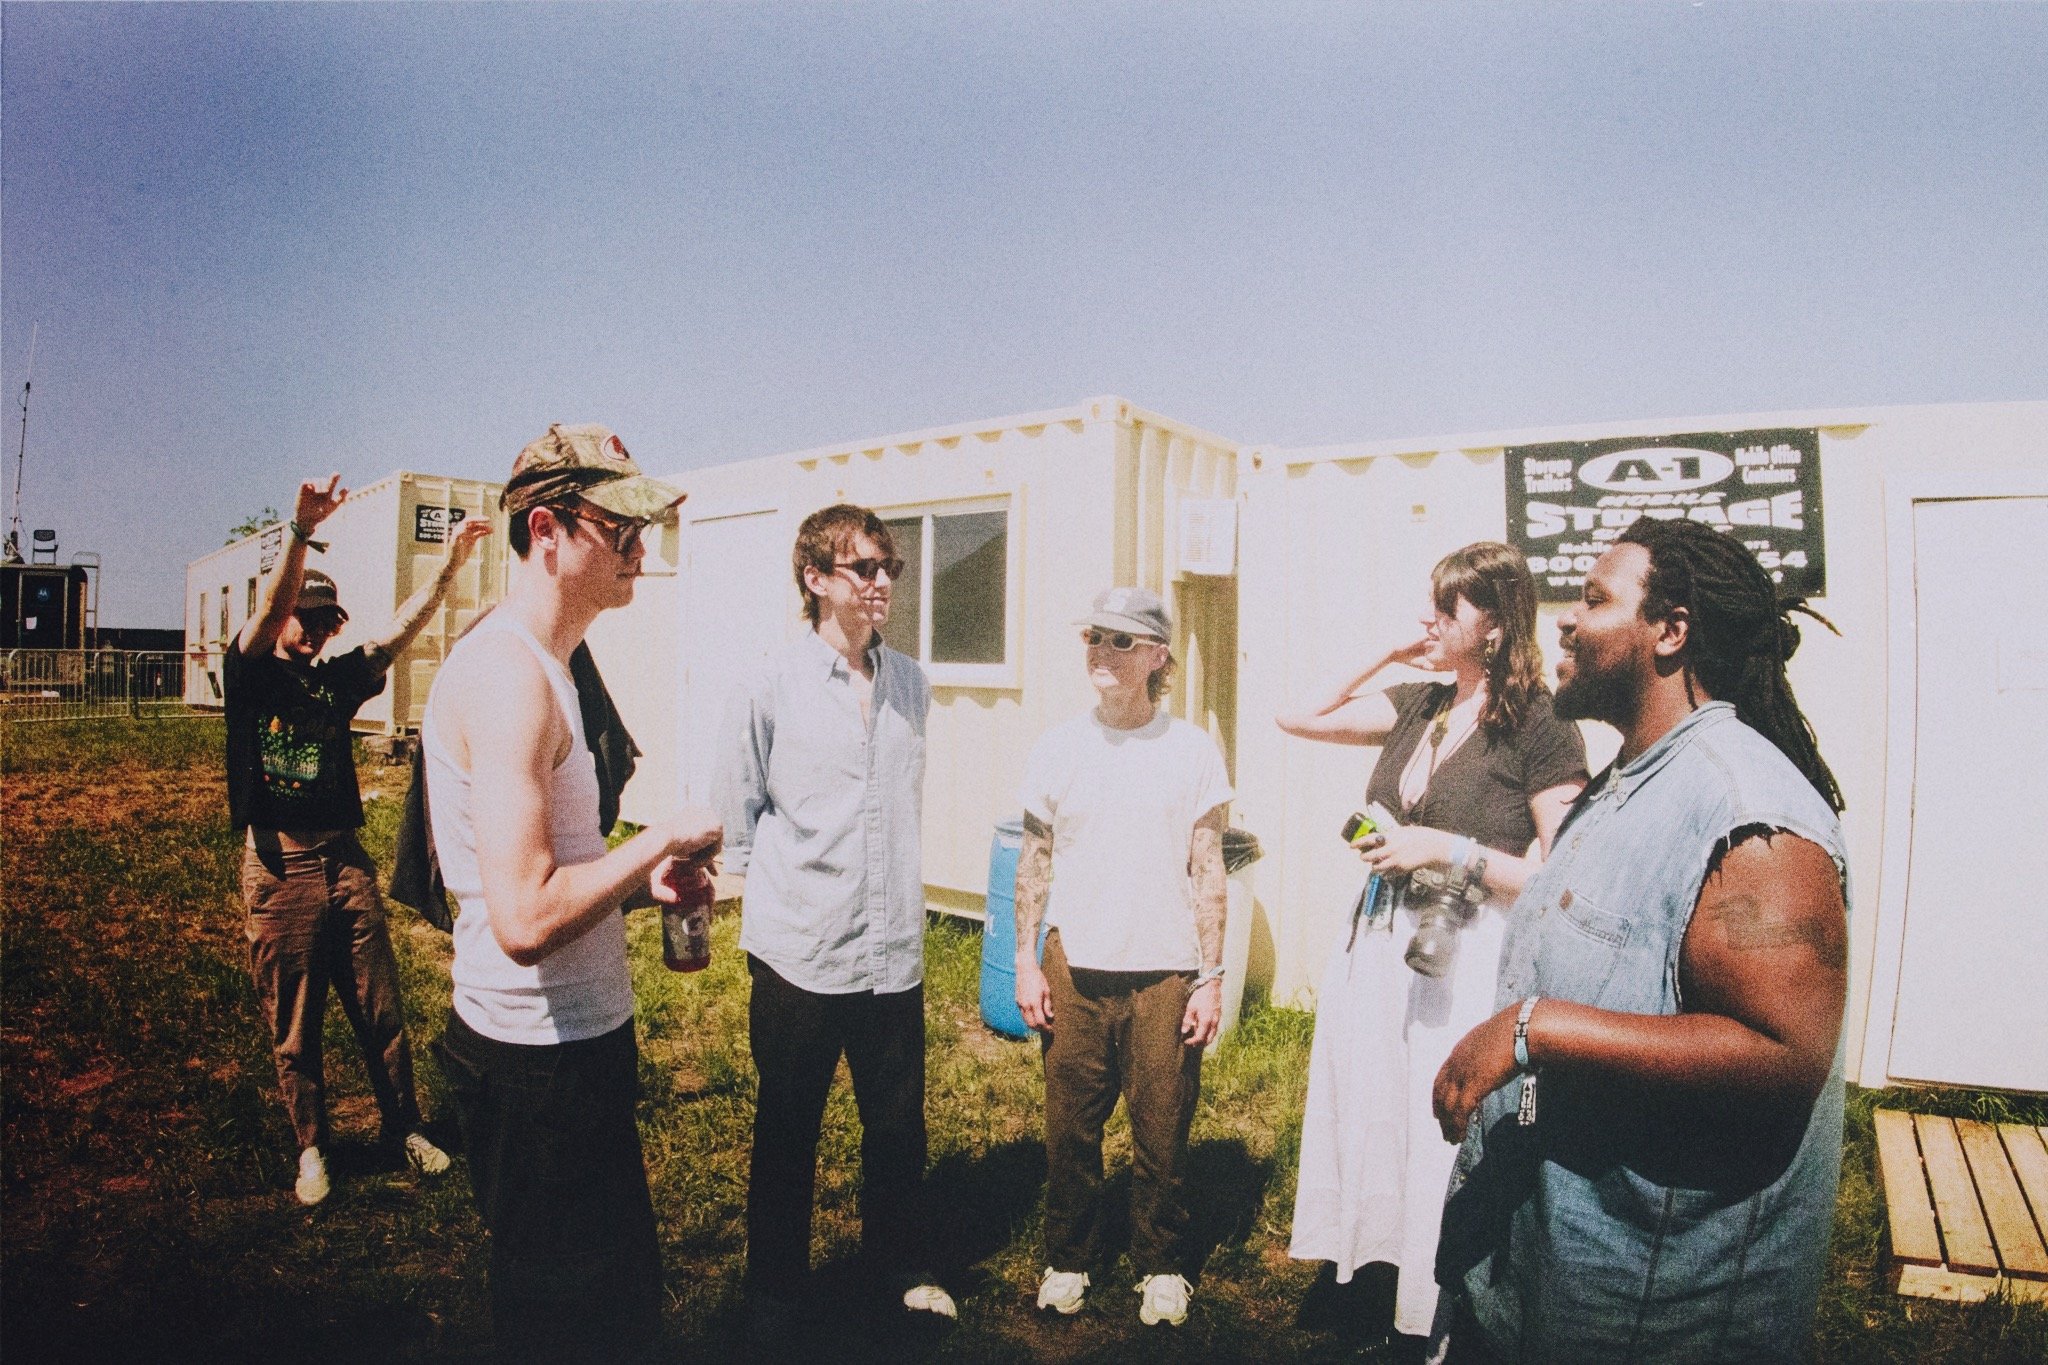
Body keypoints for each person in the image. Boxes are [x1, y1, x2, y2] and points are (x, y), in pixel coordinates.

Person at [1431, 517, 1849, 1363]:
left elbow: (1781, 1054)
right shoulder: (1624, 778)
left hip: (1653, 1316)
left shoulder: (1748, 813)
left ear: (1670, 630)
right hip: (1546, 1280)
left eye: (1594, 599)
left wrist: (1535, 1027)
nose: (1565, 618)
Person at [422, 423, 722, 1362]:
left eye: (644, 530)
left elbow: (551, 868)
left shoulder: (547, 665)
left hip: (573, 1053)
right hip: (536, 1068)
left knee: (617, 1310)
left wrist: (637, 882)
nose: (641, 550)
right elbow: (522, 917)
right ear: (546, 530)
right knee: (567, 1324)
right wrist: (657, 843)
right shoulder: (508, 676)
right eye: (620, 529)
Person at [1277, 542, 1587, 1350]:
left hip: (1462, 950)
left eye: (1448, 607)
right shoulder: (1420, 703)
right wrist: (1388, 650)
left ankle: (1433, 1302)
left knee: (1431, 1120)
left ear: (1495, 626)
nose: (1430, 618)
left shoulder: (1540, 725)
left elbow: (1557, 875)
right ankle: (1370, 1273)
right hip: (1379, 943)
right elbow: (1295, 713)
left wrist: (1445, 848)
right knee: (1371, 1106)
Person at [713, 504, 955, 1344]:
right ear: (815, 578)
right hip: (800, 951)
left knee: (897, 1126)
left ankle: (901, 1264)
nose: (883, 582)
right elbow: (739, 818)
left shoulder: (911, 683)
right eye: (865, 567)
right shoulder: (768, 684)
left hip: (892, 951)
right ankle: (775, 1290)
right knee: (788, 1127)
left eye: (889, 567)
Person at [226, 472, 487, 1206]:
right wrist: (302, 533)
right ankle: (312, 1146)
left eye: (326, 620)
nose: (314, 630)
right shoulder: (250, 673)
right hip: (279, 864)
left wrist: (450, 566)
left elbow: (398, 632)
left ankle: (405, 1126)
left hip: (344, 861)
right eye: (304, 617)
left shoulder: (334, 681)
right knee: (295, 1019)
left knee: (380, 1007)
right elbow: (267, 611)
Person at [1013, 587, 1235, 1329]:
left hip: (1165, 971)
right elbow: (1034, 859)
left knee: (1162, 1129)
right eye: (1093, 638)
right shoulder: (1057, 747)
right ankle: (1069, 1256)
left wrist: (1211, 977)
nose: (1100, 653)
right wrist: (1025, 960)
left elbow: (1208, 867)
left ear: (1156, 657)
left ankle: (1162, 1263)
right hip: (1074, 964)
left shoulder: (1192, 750)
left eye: (1120, 640)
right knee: (1070, 1127)